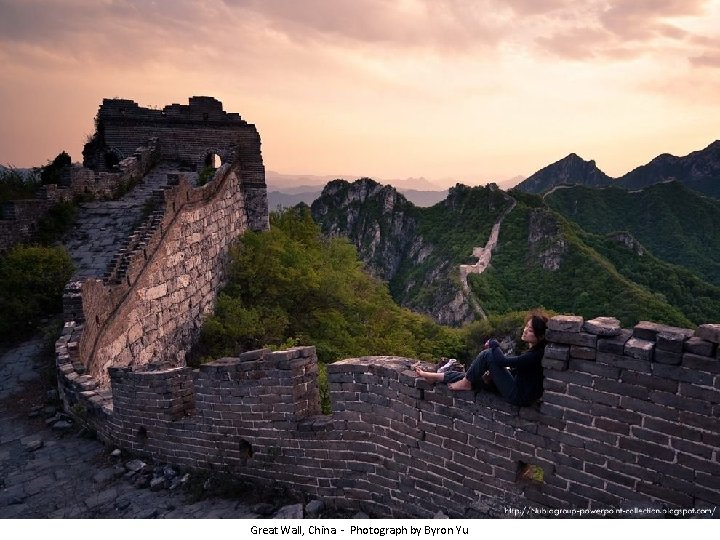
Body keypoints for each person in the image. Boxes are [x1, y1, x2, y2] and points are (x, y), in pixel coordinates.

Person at [415, 312, 548, 406]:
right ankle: (435, 377)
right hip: (517, 388)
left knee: (488, 354)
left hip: (518, 396)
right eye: (526, 326)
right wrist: (495, 376)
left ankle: (464, 383)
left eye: (530, 330)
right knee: (471, 376)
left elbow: (503, 361)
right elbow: (518, 370)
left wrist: (494, 344)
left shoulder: (535, 355)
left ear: (540, 335)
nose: (525, 330)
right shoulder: (536, 351)